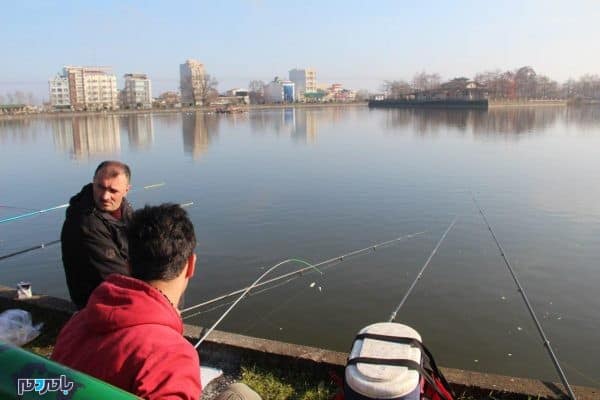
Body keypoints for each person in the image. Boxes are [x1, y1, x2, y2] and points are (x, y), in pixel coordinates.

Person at [52, 204, 260, 400]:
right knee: (241, 394)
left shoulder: (78, 322)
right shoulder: (170, 355)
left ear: (128, 264)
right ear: (191, 266)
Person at [60, 160, 133, 309]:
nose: (105, 196)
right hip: (98, 305)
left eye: (113, 191)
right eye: (100, 187)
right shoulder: (86, 222)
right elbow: (118, 278)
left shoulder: (124, 209)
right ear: (93, 182)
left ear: (126, 190)